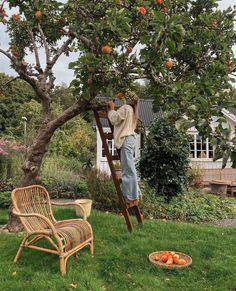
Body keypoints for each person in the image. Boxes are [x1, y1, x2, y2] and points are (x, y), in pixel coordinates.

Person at [107, 92, 142, 207]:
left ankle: (132, 198)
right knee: (130, 168)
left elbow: (115, 119)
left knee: (128, 170)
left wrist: (111, 109)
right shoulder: (133, 111)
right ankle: (135, 194)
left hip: (126, 140)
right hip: (130, 140)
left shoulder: (126, 108)